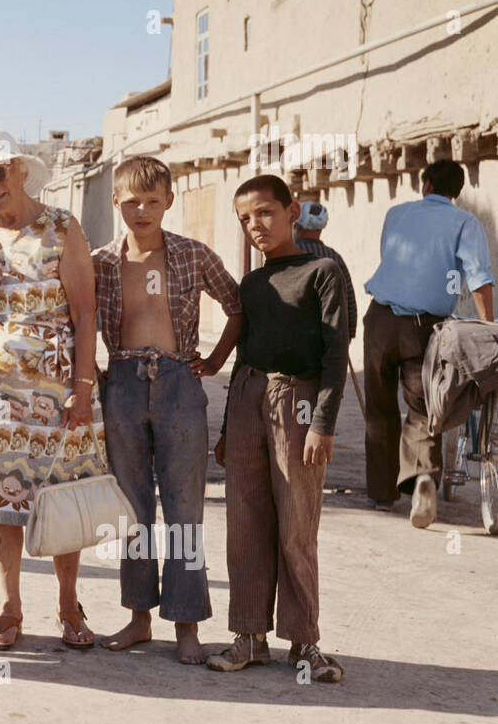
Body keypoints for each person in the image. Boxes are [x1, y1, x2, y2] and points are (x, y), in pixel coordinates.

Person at [0, 128, 99, 651]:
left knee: (61, 499)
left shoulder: (62, 226)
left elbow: (84, 312)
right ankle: (9, 607)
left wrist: (83, 384)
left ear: (18, 170)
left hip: (57, 390)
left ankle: (68, 604)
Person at [91, 155, 242, 665]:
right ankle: (138, 618)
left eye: (152, 201)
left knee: (184, 511)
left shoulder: (193, 255)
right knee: (132, 512)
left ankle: (187, 624)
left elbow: (237, 304)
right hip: (123, 383)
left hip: (178, 380)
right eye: (131, 200)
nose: (141, 210)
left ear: (169, 202)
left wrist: (217, 358)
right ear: (115, 201)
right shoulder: (101, 262)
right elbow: (76, 317)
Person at [208, 175, 348, 682]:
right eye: (245, 219)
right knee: (243, 522)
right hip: (248, 397)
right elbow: (243, 355)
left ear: (292, 211)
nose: (256, 226)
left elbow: (336, 352)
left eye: (265, 213)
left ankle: (305, 642)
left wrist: (323, 425)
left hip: (300, 403)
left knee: (296, 524)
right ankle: (248, 637)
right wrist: (227, 429)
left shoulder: (324, 270)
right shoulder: (253, 283)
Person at [363, 159, 493, 527]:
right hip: (426, 328)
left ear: (425, 184)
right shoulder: (465, 222)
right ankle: (422, 476)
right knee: (424, 406)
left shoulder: (396, 214)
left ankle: (381, 495)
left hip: (380, 319)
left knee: (379, 407)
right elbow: (480, 278)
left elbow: (391, 257)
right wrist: (487, 328)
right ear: (457, 191)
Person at [294, 202, 357, 336]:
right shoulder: (334, 257)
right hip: (330, 335)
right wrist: (350, 332)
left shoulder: (289, 255)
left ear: (298, 226)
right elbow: (349, 296)